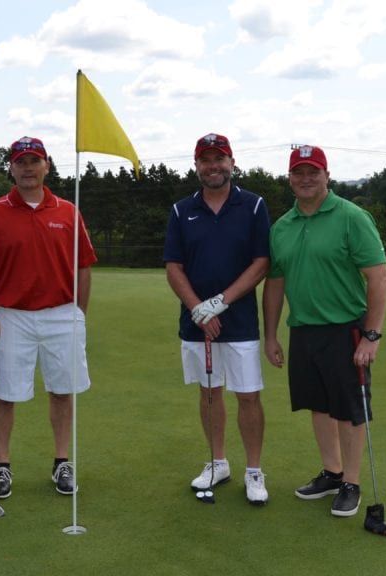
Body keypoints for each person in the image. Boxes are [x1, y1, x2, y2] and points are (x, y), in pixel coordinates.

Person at [262, 144, 386, 518]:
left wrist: (372, 334)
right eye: (298, 173)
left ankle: (351, 482)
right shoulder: (282, 226)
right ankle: (332, 473)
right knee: (318, 405)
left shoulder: (352, 216)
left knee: (349, 410)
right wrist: (270, 335)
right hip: (303, 329)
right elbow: (275, 283)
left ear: (326, 175)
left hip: (346, 329)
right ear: (289, 179)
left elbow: (378, 276)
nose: (305, 179)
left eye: (312, 172)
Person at [0, 136, 97, 500]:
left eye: (34, 161)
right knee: (4, 395)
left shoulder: (68, 211)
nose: (27, 168)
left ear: (47, 166)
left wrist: (77, 313)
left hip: (61, 315)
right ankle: (3, 467)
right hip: (8, 316)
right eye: (20, 162)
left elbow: (84, 266)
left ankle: (61, 462)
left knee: (62, 390)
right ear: (11, 167)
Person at [163, 133, 271, 505]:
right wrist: (198, 308)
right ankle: (217, 461)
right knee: (209, 393)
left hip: (239, 322)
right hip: (195, 324)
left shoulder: (254, 206)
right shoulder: (181, 210)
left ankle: (254, 471)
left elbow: (261, 263)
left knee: (248, 395)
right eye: (206, 160)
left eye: (219, 159)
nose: (213, 166)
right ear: (196, 166)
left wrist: (220, 303)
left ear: (232, 162)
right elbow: (173, 266)